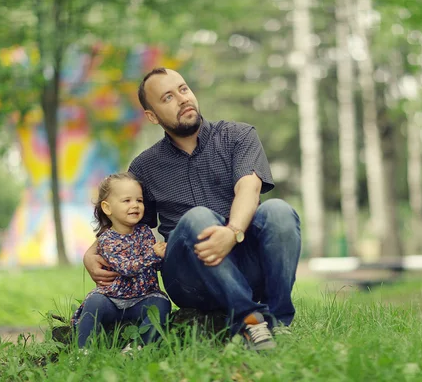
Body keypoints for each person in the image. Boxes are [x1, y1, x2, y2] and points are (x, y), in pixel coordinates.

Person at [83, 67, 301, 351]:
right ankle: (250, 320)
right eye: (168, 97)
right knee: (198, 217)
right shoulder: (145, 167)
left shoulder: (237, 136)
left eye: (183, 89)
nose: (182, 99)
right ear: (152, 116)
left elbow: (248, 188)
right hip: (189, 277)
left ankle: (278, 322)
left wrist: (232, 232)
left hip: (246, 260)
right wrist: (92, 251)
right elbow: (126, 221)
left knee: (280, 212)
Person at [72, 172, 172, 349]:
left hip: (143, 297)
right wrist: (153, 254)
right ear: (108, 208)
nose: (135, 205)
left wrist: (162, 255)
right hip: (112, 300)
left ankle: (138, 348)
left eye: (139, 200)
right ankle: (82, 349)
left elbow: (154, 265)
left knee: (162, 304)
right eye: (127, 201)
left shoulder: (145, 232)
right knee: (94, 302)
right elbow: (126, 268)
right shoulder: (107, 239)